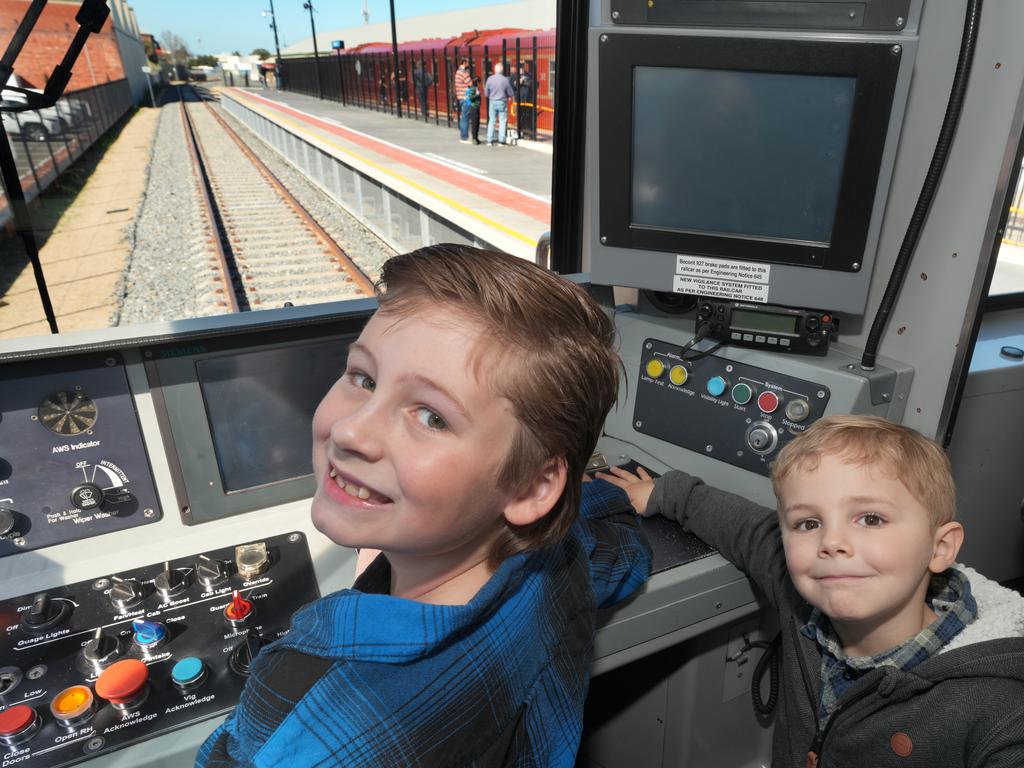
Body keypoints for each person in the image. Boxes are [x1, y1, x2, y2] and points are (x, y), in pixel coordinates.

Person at [196, 244, 652, 768]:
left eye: (432, 417)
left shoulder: (302, 703)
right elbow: (619, 549)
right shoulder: (559, 565)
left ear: (530, 488)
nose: (350, 431)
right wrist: (624, 497)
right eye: (364, 379)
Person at [598, 414, 1024, 767]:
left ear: (940, 547)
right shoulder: (802, 595)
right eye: (808, 523)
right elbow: (746, 526)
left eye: (870, 518)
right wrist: (661, 491)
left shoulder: (998, 705)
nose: (831, 541)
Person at [484, 62, 515, 146]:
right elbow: (511, 93)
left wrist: (491, 95)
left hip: (492, 102)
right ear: (502, 70)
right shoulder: (505, 80)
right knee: (502, 121)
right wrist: (507, 96)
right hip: (502, 102)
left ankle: (489, 140)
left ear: (495, 70)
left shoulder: (490, 79)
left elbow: (486, 93)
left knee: (492, 121)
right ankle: (501, 140)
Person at [454, 57, 471, 143]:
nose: (469, 64)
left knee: (463, 117)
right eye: (468, 62)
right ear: (464, 62)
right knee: (465, 117)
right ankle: (464, 137)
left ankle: (462, 135)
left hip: (460, 97)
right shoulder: (464, 73)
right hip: (466, 97)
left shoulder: (457, 72)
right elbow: (470, 84)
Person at [517, 63, 535, 138]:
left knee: (528, 116)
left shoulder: (529, 75)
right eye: (519, 67)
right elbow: (511, 85)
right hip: (519, 100)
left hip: (528, 100)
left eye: (522, 67)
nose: (521, 69)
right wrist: (517, 83)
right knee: (520, 116)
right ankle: (521, 132)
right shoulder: (515, 76)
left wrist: (527, 82)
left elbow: (535, 84)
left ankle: (529, 133)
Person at [465, 75, 482, 145]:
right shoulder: (472, 88)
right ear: (476, 82)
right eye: (479, 82)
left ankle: (476, 137)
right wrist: (477, 95)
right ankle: (474, 138)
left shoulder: (476, 88)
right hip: (474, 107)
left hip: (477, 107)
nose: (480, 83)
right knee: (474, 123)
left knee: (477, 123)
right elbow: (471, 98)